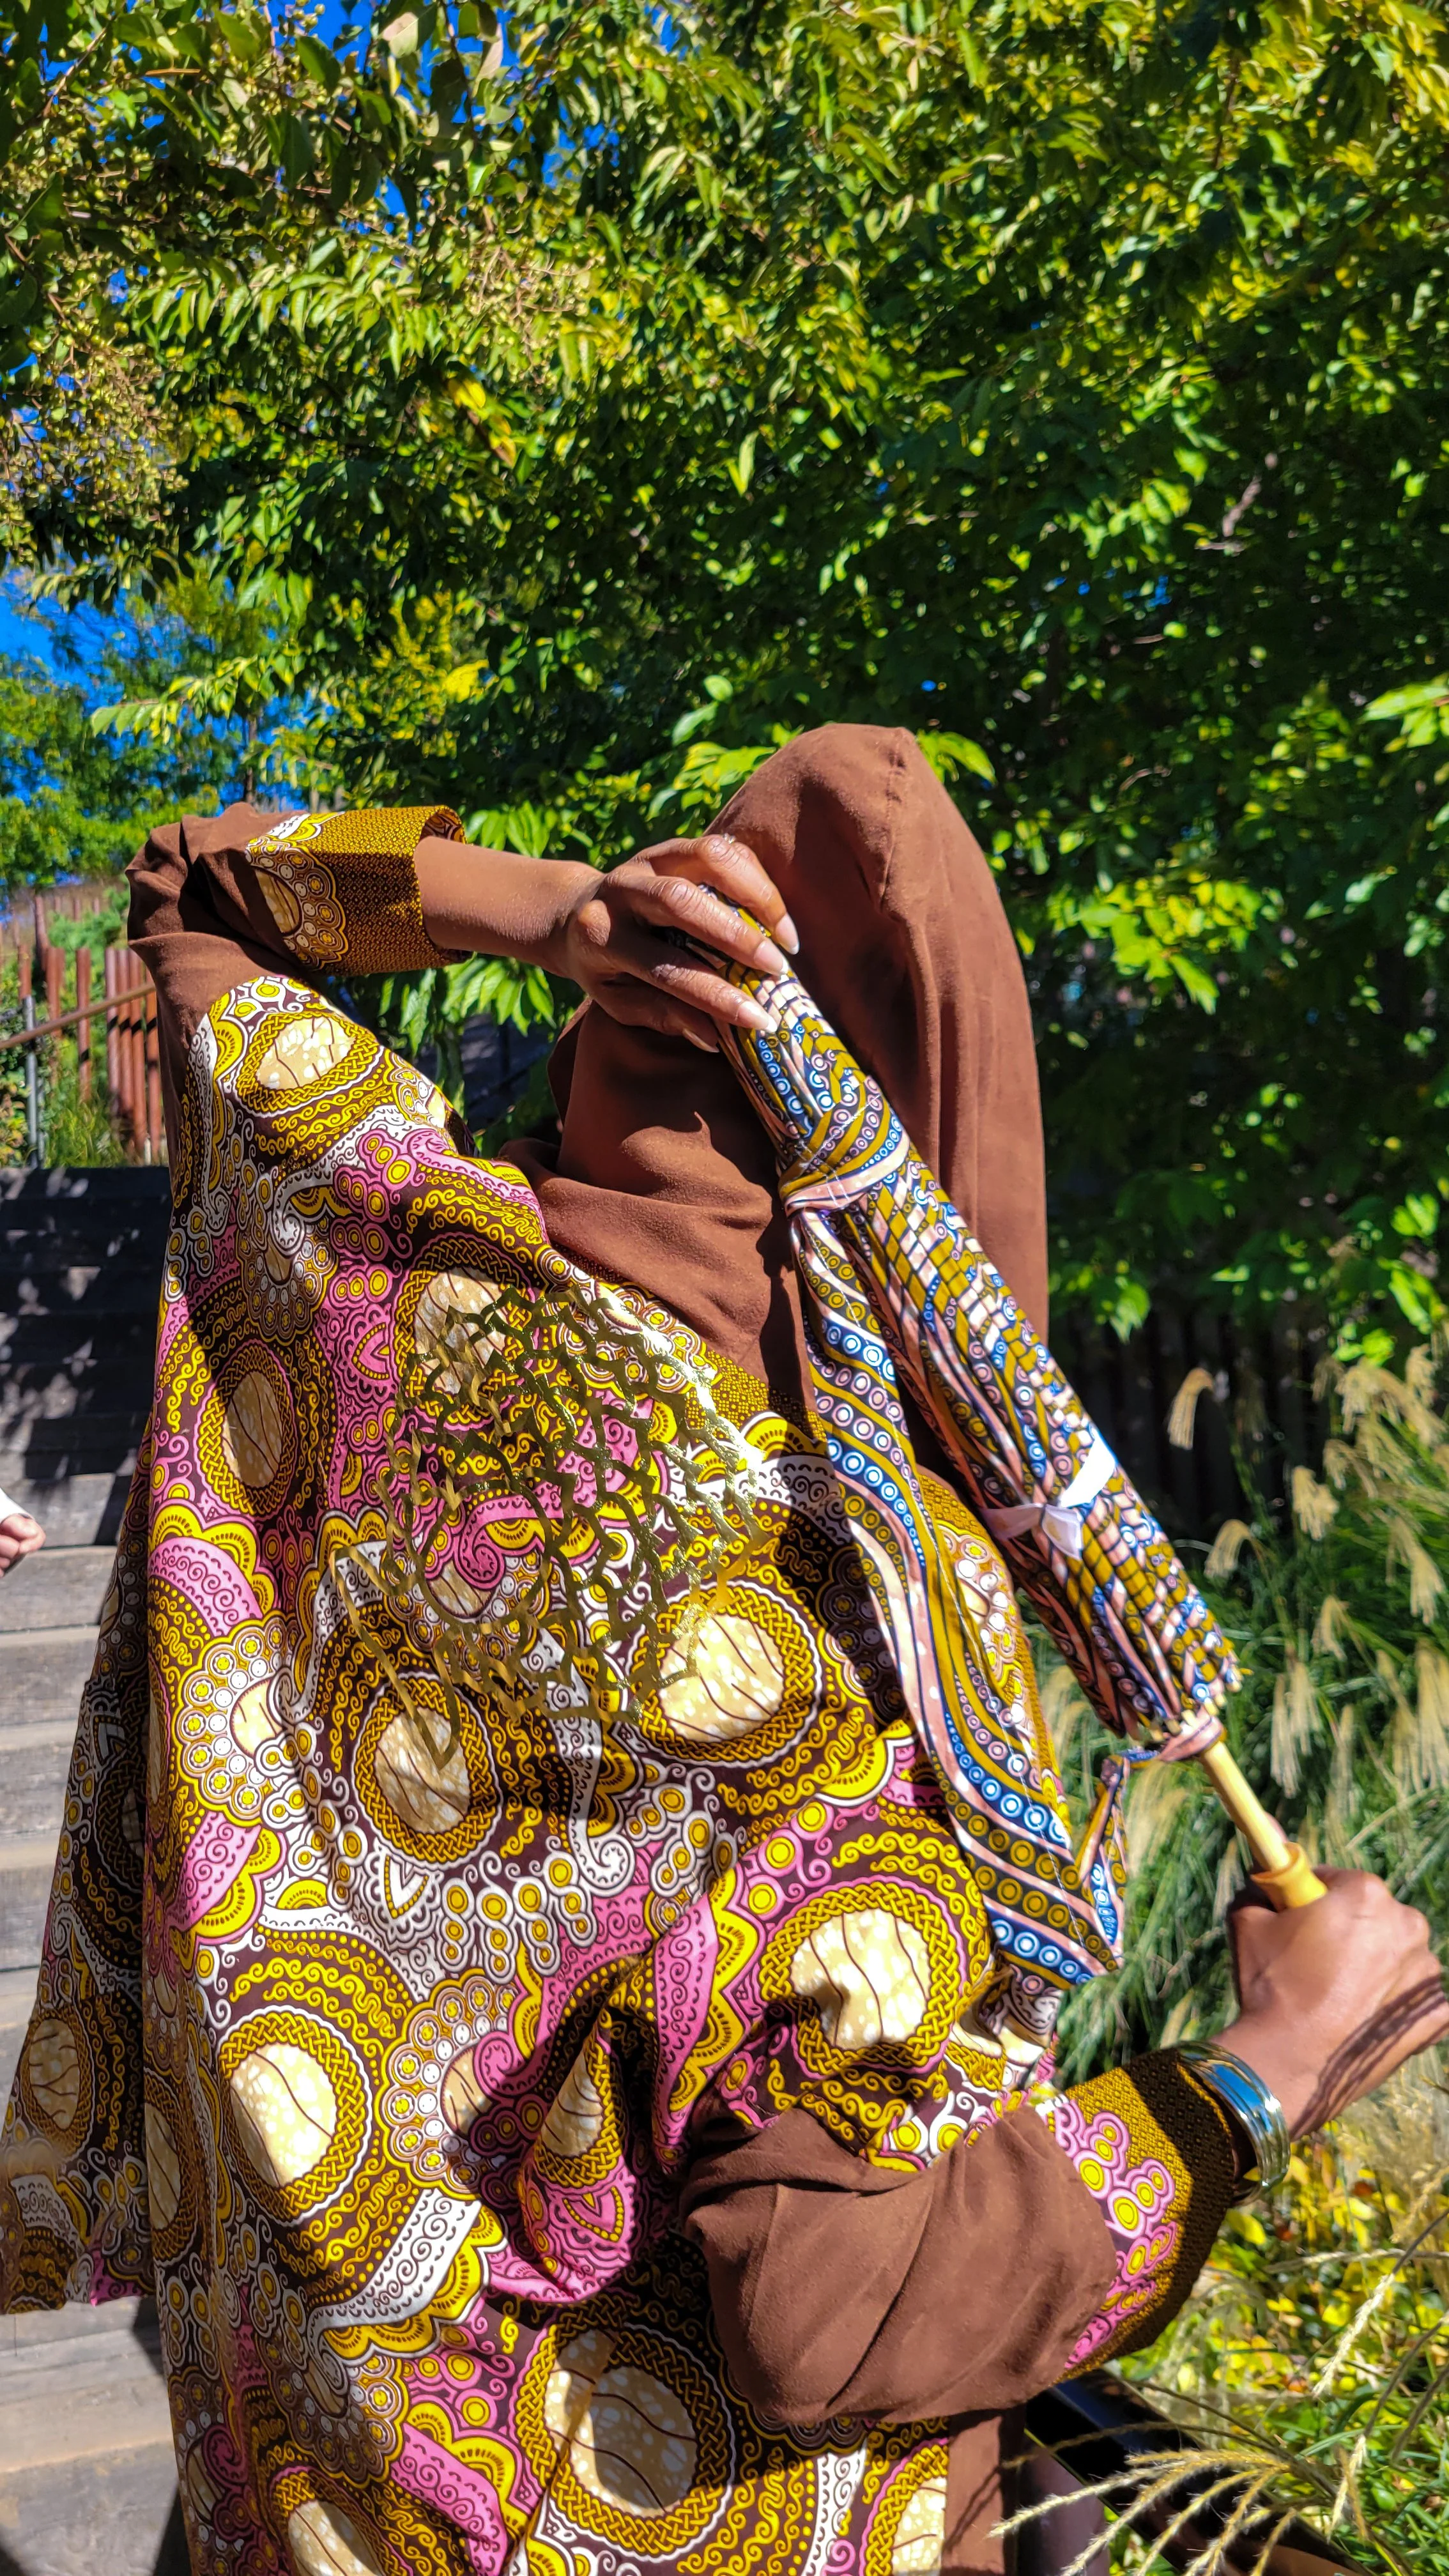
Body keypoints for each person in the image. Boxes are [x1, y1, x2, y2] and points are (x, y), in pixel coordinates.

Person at [1, 727, 1443, 2576]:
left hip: (304, 2468)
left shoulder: (370, 1295)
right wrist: (1260, 2071)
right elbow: (830, 2312)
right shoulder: (834, 1622)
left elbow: (197, 883)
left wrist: (547, 911)